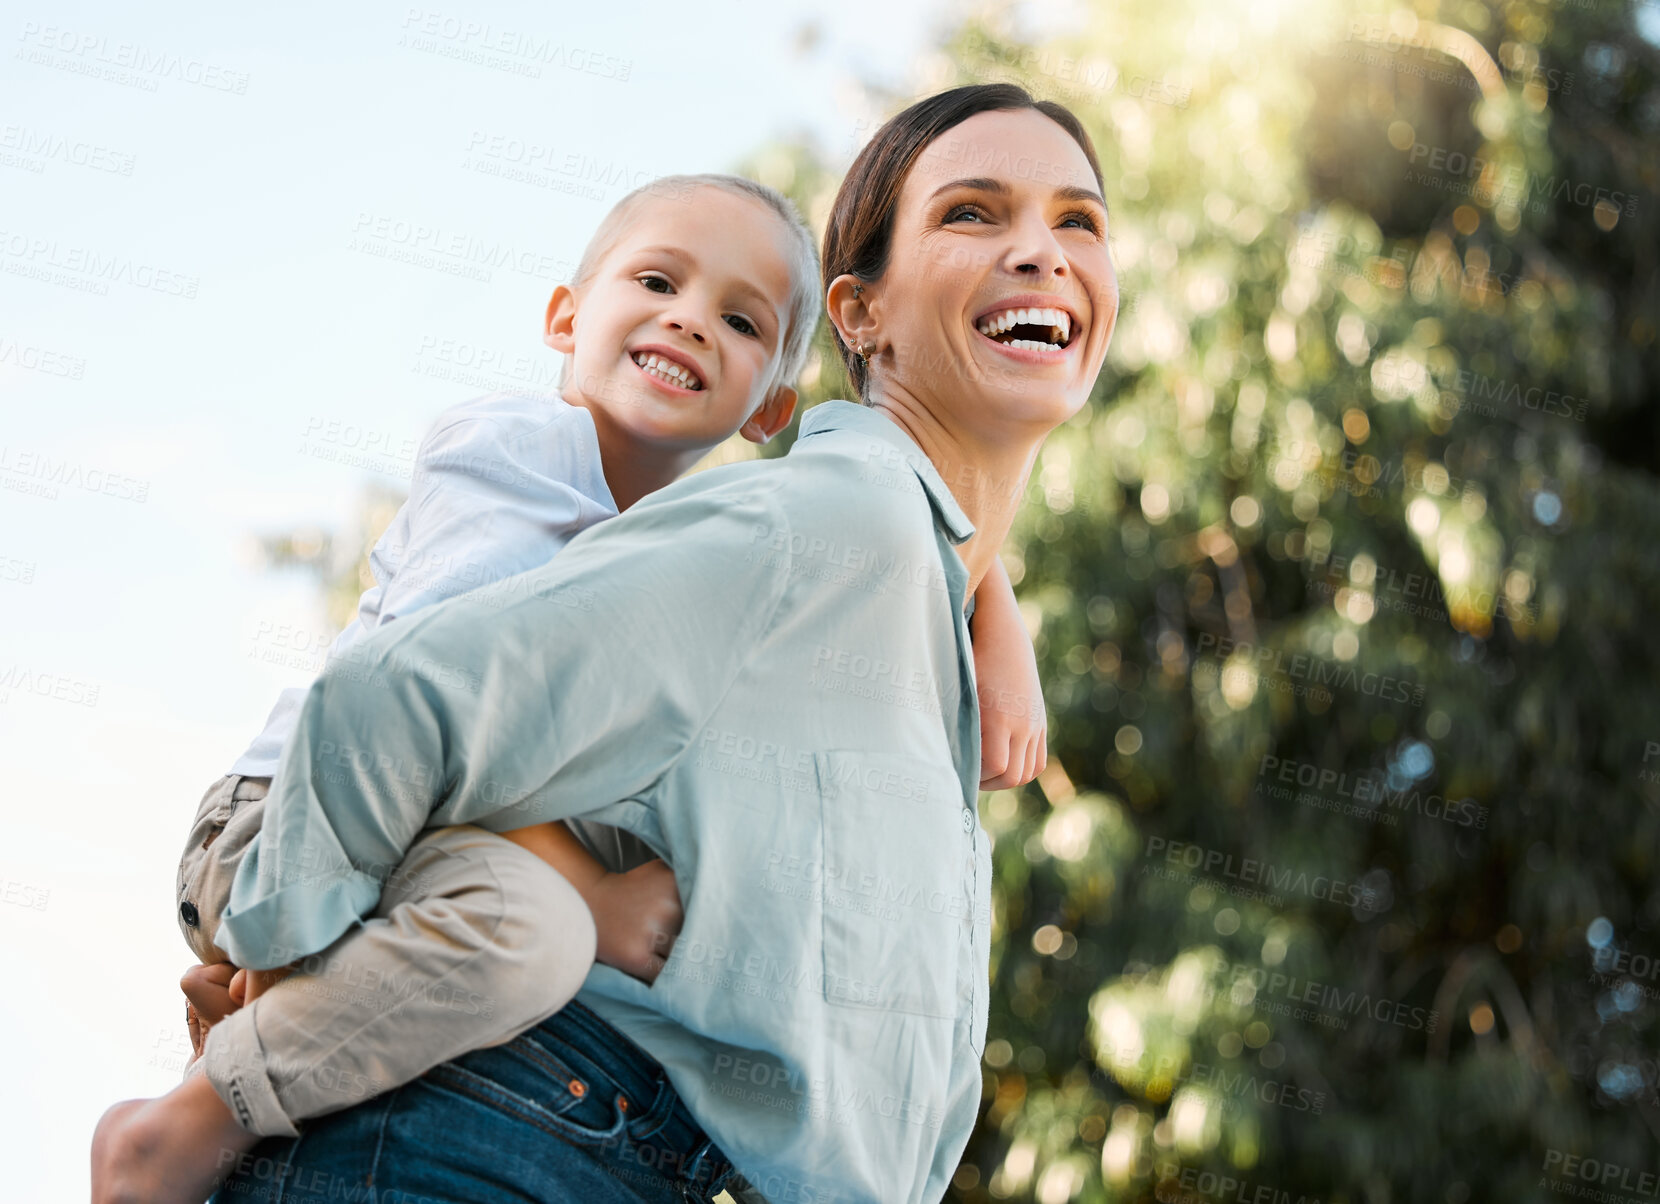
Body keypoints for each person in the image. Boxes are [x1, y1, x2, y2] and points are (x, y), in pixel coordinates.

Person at [103, 81, 1116, 1203]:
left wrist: (987, 598)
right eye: (973, 211)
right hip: (490, 1134)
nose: (1041, 249)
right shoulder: (760, 510)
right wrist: (283, 955)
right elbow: (391, 697)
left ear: (767, 396)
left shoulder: (864, 568)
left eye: (1078, 220)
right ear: (859, 313)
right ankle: (172, 1132)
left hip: (588, 1149)